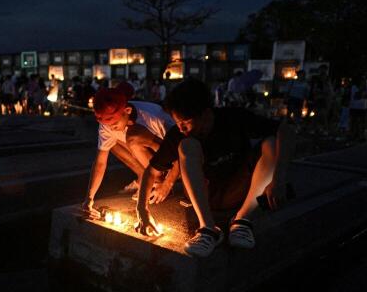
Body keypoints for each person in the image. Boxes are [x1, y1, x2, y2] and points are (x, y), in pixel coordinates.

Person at [135, 78, 296, 257]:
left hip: (241, 190)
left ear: (205, 114)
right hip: (205, 194)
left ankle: (242, 220)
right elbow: (151, 172)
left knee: (271, 143)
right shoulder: (178, 135)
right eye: (177, 123)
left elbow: (285, 130)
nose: (181, 128)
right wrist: (142, 210)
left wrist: (279, 179)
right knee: (187, 145)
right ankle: (208, 229)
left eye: (185, 122)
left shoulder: (233, 118)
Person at [82, 82, 178, 218]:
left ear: (127, 111)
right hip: (155, 160)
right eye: (106, 125)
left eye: (114, 124)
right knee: (109, 144)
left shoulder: (153, 118)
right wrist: (89, 197)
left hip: (174, 161)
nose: (111, 128)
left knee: (133, 137)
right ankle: (147, 180)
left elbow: (181, 154)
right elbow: (100, 162)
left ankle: (157, 181)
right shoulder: (107, 126)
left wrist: (168, 184)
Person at [349, 76, 367, 142]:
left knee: (361, 122)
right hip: (355, 107)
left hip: (362, 107)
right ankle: (354, 135)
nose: (363, 82)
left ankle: (360, 135)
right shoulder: (354, 87)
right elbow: (356, 97)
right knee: (355, 122)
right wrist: (362, 93)